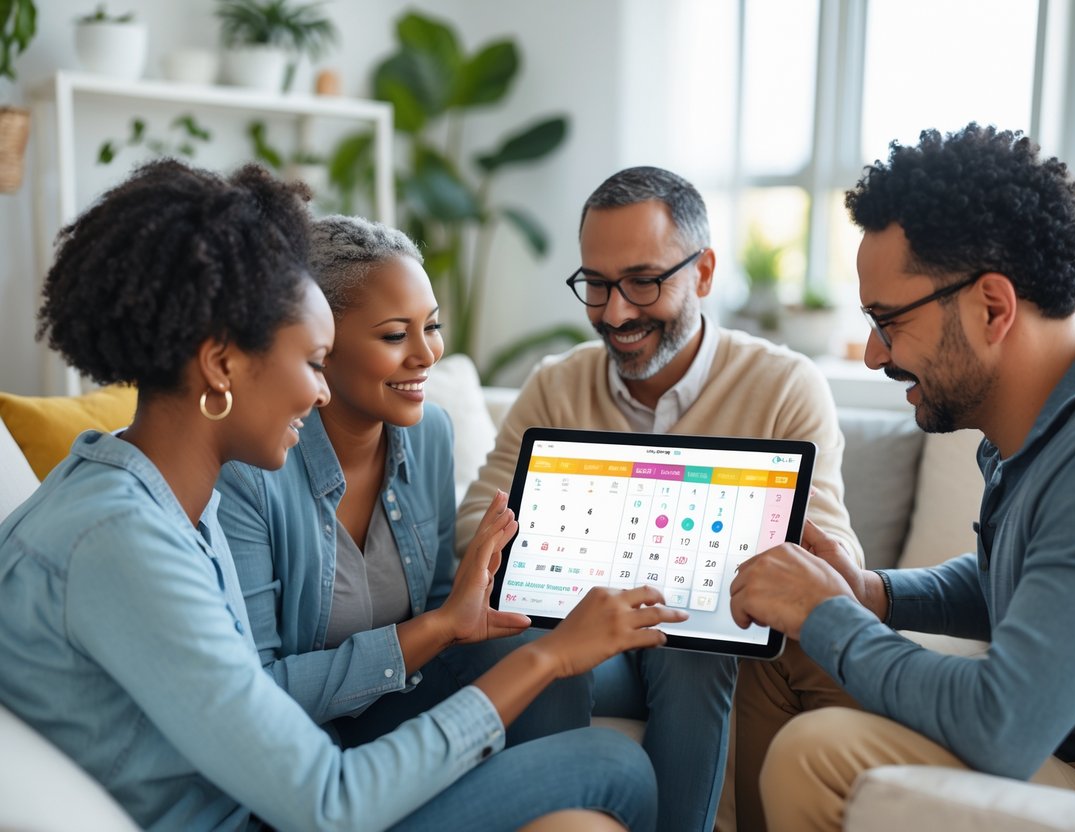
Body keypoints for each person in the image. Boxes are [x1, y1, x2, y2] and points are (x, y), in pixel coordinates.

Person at [0, 159, 688, 832]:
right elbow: (329, 802)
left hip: (268, 792)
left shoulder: (159, 497)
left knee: (583, 789)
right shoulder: (119, 541)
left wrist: (470, 627)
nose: (322, 391)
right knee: (611, 767)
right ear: (220, 364)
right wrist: (550, 655)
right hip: (274, 809)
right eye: (309, 362)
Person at [729, 123, 1075, 831]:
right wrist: (871, 596)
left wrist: (827, 614)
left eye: (886, 320)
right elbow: (1028, 586)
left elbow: (1001, 723)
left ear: (992, 306)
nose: (870, 354)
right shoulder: (1051, 424)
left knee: (819, 753)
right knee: (774, 645)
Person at [456, 165, 863, 832]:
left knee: (693, 650)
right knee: (550, 642)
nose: (615, 312)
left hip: (704, 648)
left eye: (642, 282)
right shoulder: (555, 384)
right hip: (596, 644)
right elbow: (475, 521)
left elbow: (831, 553)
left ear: (702, 274)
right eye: (595, 284)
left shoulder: (785, 385)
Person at [217, 214, 585, 749]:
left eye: (431, 326)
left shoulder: (431, 432)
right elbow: (260, 689)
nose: (427, 354)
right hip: (302, 744)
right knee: (612, 762)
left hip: (400, 701)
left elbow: (440, 602)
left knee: (542, 661)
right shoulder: (250, 472)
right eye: (395, 334)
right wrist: (439, 628)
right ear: (319, 345)